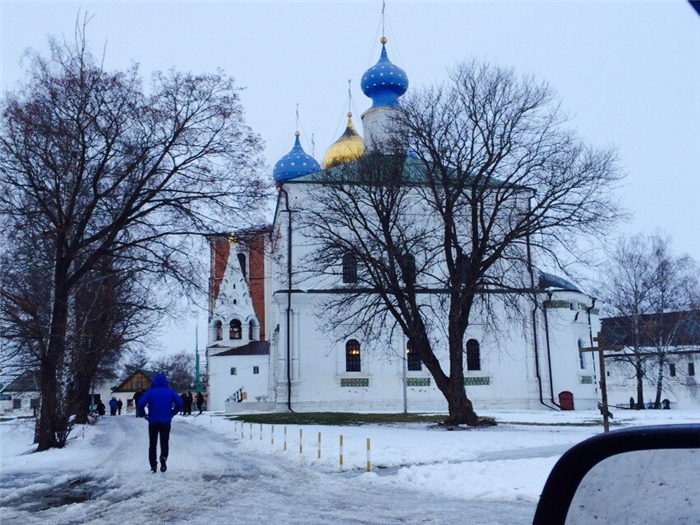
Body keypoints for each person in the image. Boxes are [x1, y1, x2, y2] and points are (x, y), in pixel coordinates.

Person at [137, 373, 183, 473]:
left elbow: (140, 403)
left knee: (153, 444)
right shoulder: (170, 392)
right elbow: (180, 402)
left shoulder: (150, 392)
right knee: (164, 442)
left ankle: (153, 464)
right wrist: (173, 412)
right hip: (166, 421)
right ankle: (163, 458)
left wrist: (143, 414)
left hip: (153, 421)